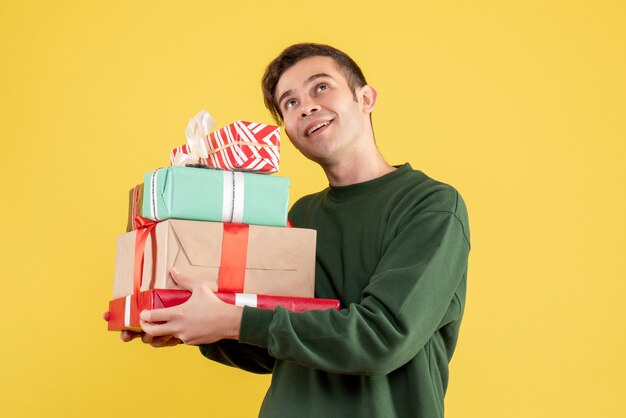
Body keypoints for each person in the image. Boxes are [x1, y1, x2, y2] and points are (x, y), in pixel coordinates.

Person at [120, 43, 471, 417]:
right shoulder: (299, 214)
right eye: (289, 103)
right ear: (287, 131)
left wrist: (231, 320)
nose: (306, 106)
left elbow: (383, 337)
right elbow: (276, 346)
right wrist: (188, 324)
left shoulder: (430, 205)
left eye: (321, 87)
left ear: (365, 97)